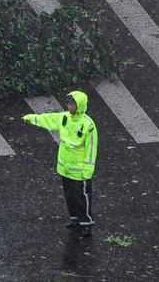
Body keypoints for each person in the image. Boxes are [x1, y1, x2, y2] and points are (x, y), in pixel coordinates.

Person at [23, 90, 98, 236]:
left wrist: (88, 171)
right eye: (69, 104)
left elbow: (91, 149)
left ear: (80, 106)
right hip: (65, 168)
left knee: (82, 197)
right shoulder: (64, 118)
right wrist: (31, 118)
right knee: (70, 196)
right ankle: (75, 220)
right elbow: (48, 120)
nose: (69, 107)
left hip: (80, 171)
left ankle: (86, 223)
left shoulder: (88, 125)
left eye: (72, 105)